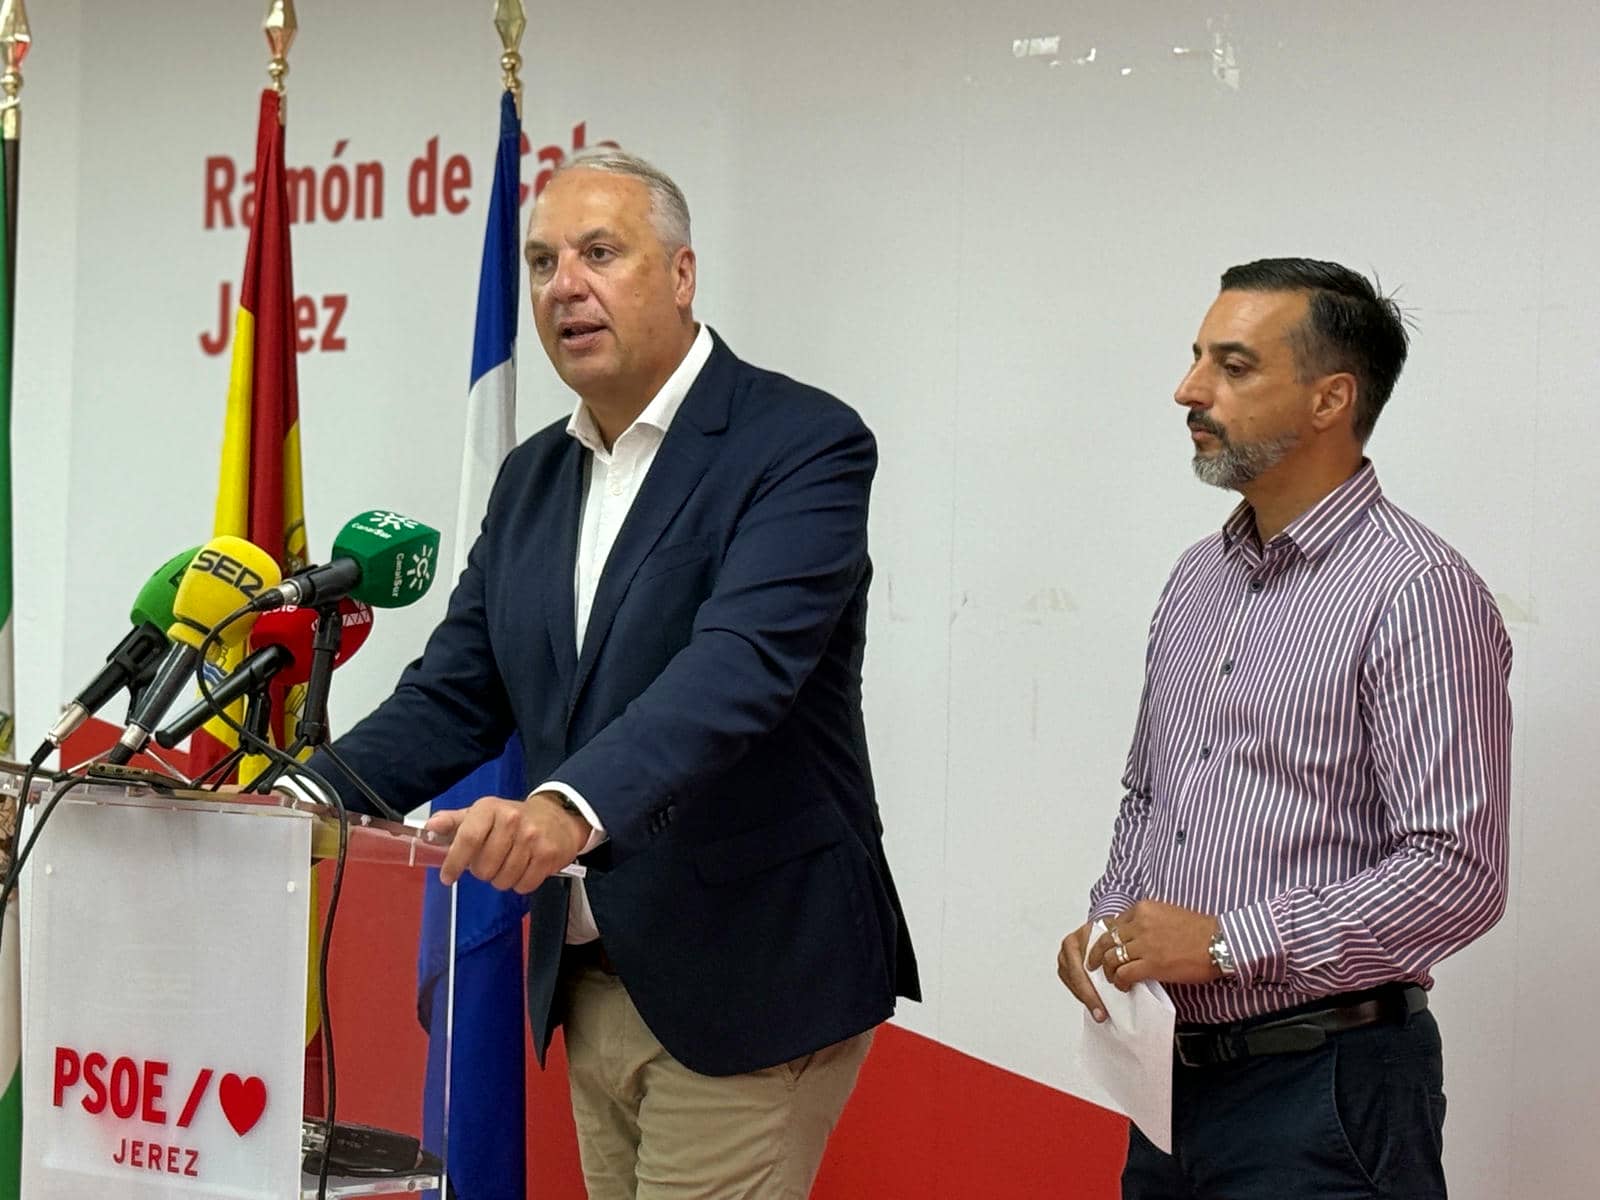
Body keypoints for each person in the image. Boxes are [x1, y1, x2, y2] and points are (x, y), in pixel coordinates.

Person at [308, 148, 919, 1198]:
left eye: (600, 253)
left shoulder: (800, 443)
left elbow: (738, 667)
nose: (564, 287)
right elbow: (458, 692)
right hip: (593, 972)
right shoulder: (533, 475)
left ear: (680, 275)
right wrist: (301, 796)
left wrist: (563, 807)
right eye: (544, 262)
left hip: (749, 974)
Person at [1056, 258, 1512, 1199]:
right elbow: (1151, 791)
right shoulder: (1198, 576)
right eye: (1197, 358)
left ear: (1329, 399)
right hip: (1168, 1078)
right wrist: (1114, 917)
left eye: (1232, 366)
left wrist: (1228, 942)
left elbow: (1457, 873)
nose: (1189, 390)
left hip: (1327, 1093)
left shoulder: (1417, 593)